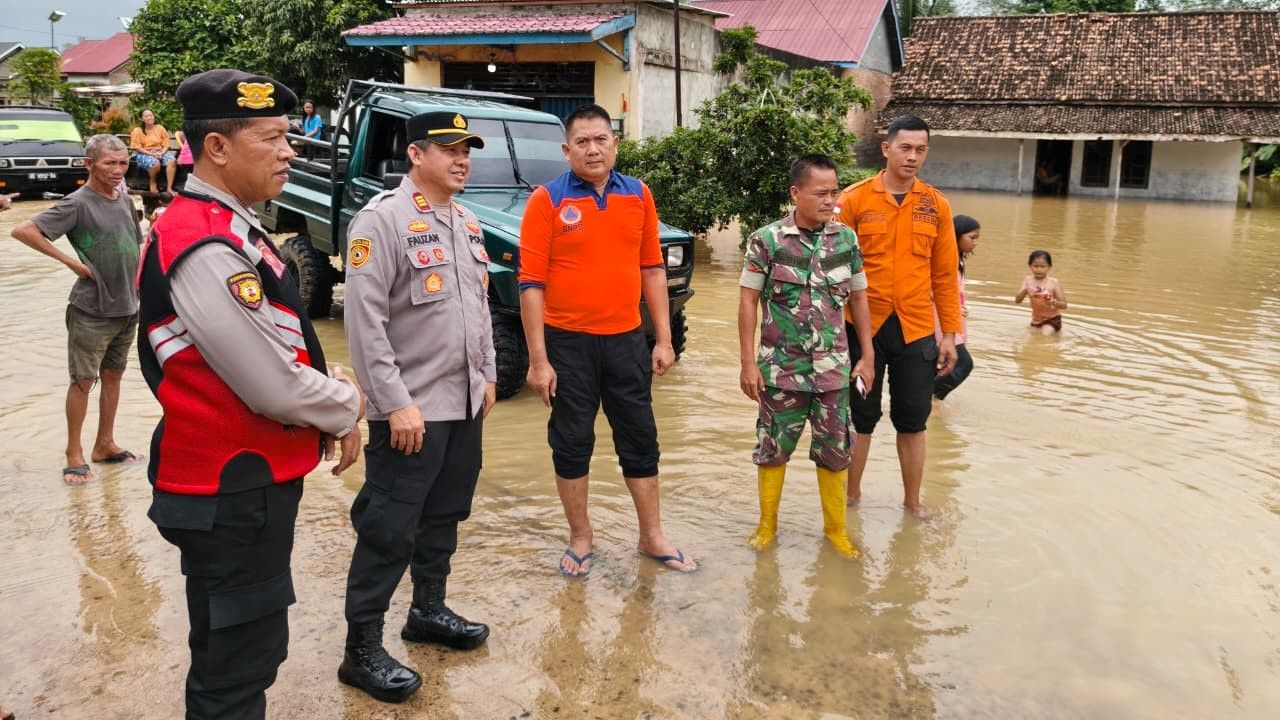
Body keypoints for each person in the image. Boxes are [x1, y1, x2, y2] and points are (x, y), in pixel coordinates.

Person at [136, 69, 365, 719]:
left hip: (235, 485)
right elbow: (269, 384)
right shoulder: (203, 240)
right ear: (217, 148)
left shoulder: (225, 225)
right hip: (229, 491)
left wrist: (330, 384)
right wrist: (348, 406)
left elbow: (275, 346)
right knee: (235, 673)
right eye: (273, 137)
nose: (290, 150)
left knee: (230, 657)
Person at [338, 111, 495, 704]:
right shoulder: (380, 221)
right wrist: (393, 403)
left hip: (462, 405)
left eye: (466, 150)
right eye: (449, 149)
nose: (461, 159)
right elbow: (365, 324)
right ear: (416, 155)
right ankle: (361, 649)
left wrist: (487, 376)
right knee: (387, 529)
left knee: (444, 515)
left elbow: (477, 308)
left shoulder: (467, 220)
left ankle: (427, 612)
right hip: (410, 412)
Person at [519, 103, 696, 576]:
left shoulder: (638, 195)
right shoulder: (547, 200)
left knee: (641, 438)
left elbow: (652, 269)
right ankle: (581, 537)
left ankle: (651, 536)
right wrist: (539, 361)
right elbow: (530, 284)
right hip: (567, 343)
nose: (593, 149)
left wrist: (662, 339)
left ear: (615, 144)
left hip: (625, 341)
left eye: (601, 139)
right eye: (583, 141)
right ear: (567, 149)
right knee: (572, 441)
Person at [738, 154, 875, 558]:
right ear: (796, 193)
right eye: (821, 193)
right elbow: (748, 302)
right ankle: (766, 527)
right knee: (773, 448)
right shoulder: (767, 240)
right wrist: (748, 363)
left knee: (835, 451)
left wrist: (867, 355)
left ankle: (836, 531)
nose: (831, 200)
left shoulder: (846, 240)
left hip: (834, 371)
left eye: (835, 192)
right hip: (781, 370)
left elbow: (861, 298)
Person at [835, 115, 962, 519]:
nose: (912, 157)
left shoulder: (935, 205)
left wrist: (950, 335)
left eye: (920, 150)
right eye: (905, 148)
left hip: (916, 329)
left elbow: (944, 275)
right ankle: (850, 498)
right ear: (886, 148)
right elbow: (833, 268)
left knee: (913, 420)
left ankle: (912, 503)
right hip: (861, 329)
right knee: (860, 417)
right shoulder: (854, 200)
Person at [11, 134, 144, 485]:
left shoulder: (125, 200)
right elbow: (24, 230)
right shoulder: (77, 203)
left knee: (114, 377)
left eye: (123, 163)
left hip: (127, 305)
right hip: (91, 309)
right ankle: (74, 453)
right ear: (88, 165)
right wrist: (73, 264)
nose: (117, 170)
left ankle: (105, 444)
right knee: (83, 381)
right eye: (109, 163)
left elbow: (137, 246)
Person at [934, 215, 980, 401]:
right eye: (972, 237)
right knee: (963, 364)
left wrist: (959, 306)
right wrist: (951, 305)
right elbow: (931, 289)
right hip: (939, 319)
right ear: (957, 235)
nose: (975, 243)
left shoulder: (958, 260)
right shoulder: (944, 259)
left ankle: (932, 399)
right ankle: (932, 395)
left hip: (952, 317)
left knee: (943, 363)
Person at [1015, 249, 1067, 335]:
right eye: (1035, 266)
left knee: (1044, 336)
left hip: (1052, 318)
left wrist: (1053, 302)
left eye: (1043, 267)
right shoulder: (1027, 280)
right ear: (1030, 266)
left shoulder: (1053, 282)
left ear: (1049, 267)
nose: (1039, 269)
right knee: (1032, 338)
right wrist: (1026, 290)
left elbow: (1064, 305)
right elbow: (1017, 301)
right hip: (1036, 320)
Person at [129, 108, 177, 194]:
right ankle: (153, 181)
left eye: (151, 115)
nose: (149, 117)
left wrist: (162, 152)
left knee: (172, 161)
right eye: (146, 116)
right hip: (144, 153)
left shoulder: (160, 128)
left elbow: (166, 144)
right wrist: (151, 154)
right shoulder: (137, 130)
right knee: (155, 163)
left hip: (159, 152)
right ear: (142, 118)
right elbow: (137, 147)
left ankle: (169, 188)